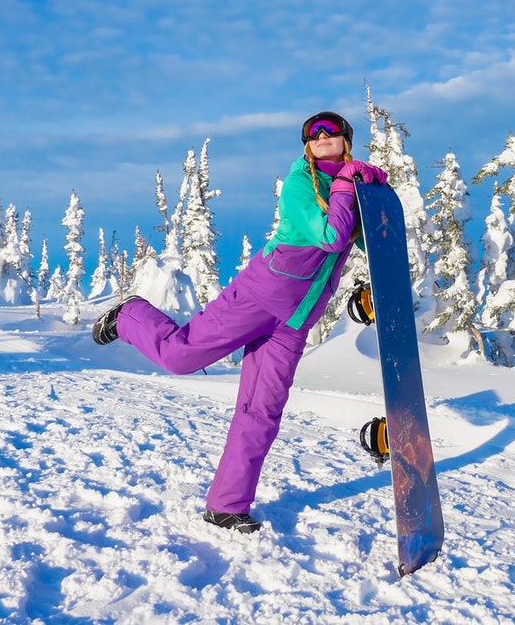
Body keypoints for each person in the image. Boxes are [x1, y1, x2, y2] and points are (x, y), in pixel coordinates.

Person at [92, 111, 387, 533]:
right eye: (313, 132)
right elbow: (330, 236)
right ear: (306, 144)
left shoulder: (348, 189)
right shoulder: (301, 186)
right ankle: (130, 315)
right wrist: (344, 185)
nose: (323, 136)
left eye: (332, 130)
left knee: (261, 411)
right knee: (179, 358)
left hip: (295, 320)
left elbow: (365, 240)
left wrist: (375, 196)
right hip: (258, 296)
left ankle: (226, 505)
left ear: (346, 139)